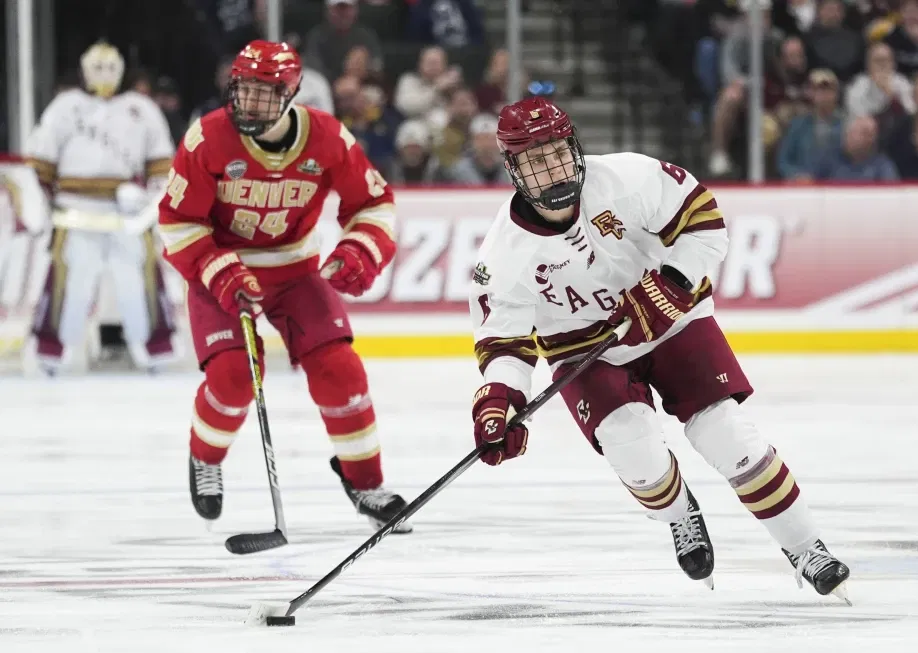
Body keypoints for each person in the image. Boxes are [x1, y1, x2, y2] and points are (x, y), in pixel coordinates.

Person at [468, 97, 850, 600]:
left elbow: (705, 223)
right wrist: (500, 402)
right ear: (513, 168)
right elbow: (506, 345)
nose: (553, 167)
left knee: (725, 433)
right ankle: (679, 514)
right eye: (535, 161)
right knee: (634, 450)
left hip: (673, 322)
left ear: (574, 146)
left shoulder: (629, 178)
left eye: (557, 151)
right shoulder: (502, 254)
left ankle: (806, 547)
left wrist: (671, 283)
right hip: (585, 350)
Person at [157, 39, 412, 534]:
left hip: (296, 271)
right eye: (244, 90)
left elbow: (374, 205)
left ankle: (365, 482)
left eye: (265, 92)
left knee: (341, 370)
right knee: (232, 377)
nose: (250, 103)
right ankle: (205, 456)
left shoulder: (328, 138)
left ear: (292, 92)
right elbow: (177, 224)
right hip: (221, 270)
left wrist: (359, 249)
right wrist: (223, 272)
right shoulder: (206, 139)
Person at [25, 40, 180, 374]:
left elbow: (160, 164)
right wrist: (45, 203)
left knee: (139, 283)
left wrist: (149, 203)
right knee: (69, 286)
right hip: (75, 212)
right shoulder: (66, 106)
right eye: (97, 67)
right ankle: (51, 354)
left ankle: (156, 353)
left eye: (110, 68)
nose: (104, 75)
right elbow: (40, 161)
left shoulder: (140, 108)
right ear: (84, 69)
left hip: (126, 215)